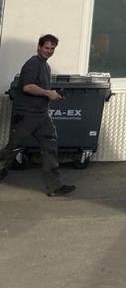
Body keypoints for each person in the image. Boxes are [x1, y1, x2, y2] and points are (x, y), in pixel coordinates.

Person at [0, 34, 75, 196]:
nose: (49, 51)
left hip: (41, 116)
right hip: (26, 116)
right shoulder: (32, 63)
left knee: (50, 147)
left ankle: (55, 186)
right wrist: (48, 93)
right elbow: (27, 87)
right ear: (39, 47)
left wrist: (53, 93)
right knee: (13, 148)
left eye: (52, 49)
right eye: (46, 48)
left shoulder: (45, 66)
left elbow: (40, 89)